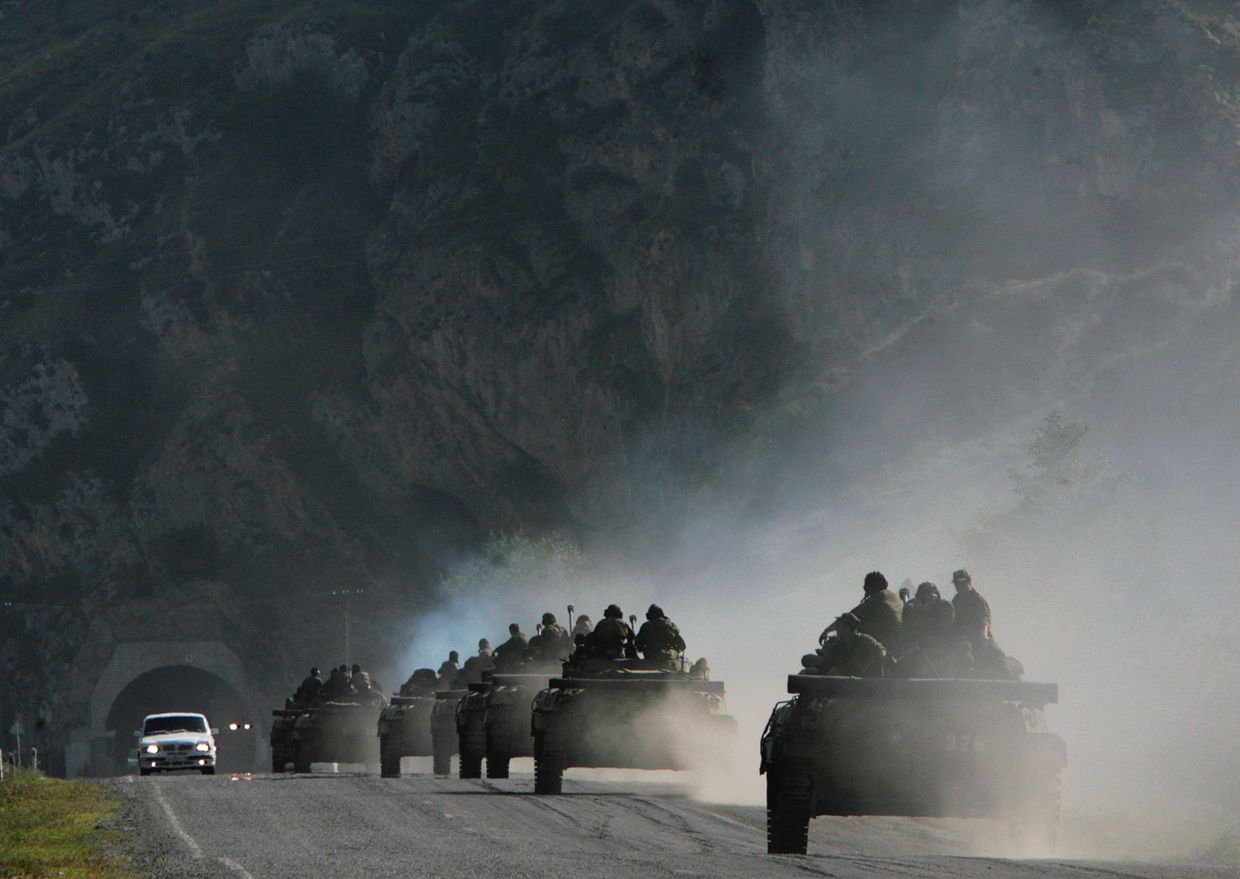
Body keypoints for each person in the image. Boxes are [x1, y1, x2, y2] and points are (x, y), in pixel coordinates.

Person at [820, 571, 903, 650]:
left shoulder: (876, 599)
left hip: (885, 641)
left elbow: (849, 617)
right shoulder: (893, 596)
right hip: (897, 638)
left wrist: (827, 631)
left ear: (870, 587)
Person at [806, 613, 888, 677]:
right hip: (846, 678)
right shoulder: (837, 646)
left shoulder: (864, 640)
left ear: (848, 628)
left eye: (839, 626)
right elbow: (827, 664)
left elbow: (881, 650)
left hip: (864, 678)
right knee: (809, 664)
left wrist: (879, 659)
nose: (837, 629)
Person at [902, 581, 955, 650]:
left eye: (934, 593)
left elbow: (941, 629)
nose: (933, 596)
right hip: (922, 646)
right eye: (927, 593)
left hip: (941, 646)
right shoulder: (913, 608)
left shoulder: (945, 607)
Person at [950, 569, 992, 645]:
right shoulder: (956, 600)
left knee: (996, 652)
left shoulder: (978, 600)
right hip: (962, 638)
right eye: (957, 584)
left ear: (969, 582)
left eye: (962, 583)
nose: (959, 586)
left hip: (979, 636)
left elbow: (985, 619)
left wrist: (983, 635)